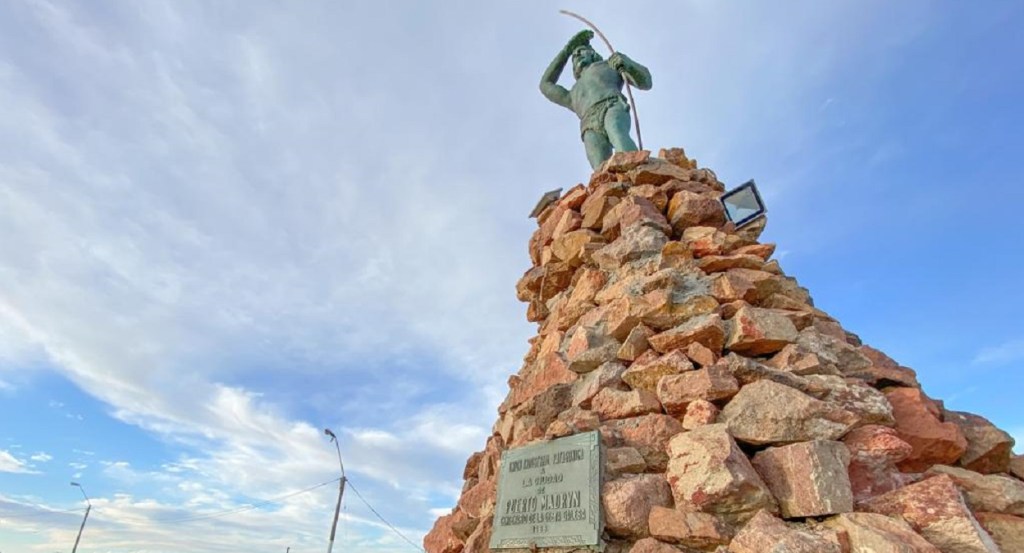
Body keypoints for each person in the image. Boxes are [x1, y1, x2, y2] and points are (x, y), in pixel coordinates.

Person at [540, 30, 652, 169]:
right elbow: (545, 84)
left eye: (581, 51)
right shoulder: (571, 94)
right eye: (574, 57)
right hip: (588, 123)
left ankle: (638, 169)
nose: (577, 55)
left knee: (616, 132)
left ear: (592, 52)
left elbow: (646, 82)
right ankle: (609, 188)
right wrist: (566, 51)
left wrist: (628, 64)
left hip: (611, 105)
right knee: (599, 163)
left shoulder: (608, 65)